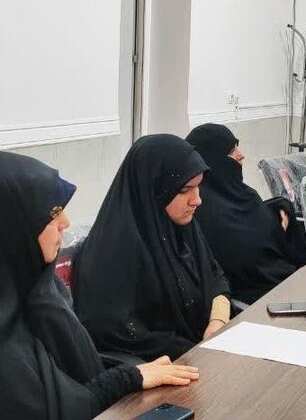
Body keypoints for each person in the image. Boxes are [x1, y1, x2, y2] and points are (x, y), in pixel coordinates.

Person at [0, 152, 199, 419]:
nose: (65, 223)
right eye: (53, 212)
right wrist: (124, 379)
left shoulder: (41, 288)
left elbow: (79, 374)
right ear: (12, 227)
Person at [73, 135, 231, 361]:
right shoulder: (113, 254)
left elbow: (215, 276)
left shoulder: (184, 229)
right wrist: (192, 351)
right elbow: (111, 330)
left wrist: (217, 321)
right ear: (154, 189)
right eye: (184, 190)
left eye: (198, 187)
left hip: (206, 352)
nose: (197, 200)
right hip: (162, 367)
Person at [186, 124, 306, 304]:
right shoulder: (204, 213)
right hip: (265, 302)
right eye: (231, 151)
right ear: (211, 160)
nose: (241, 155)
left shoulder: (244, 194)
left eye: (237, 147)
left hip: (291, 285)